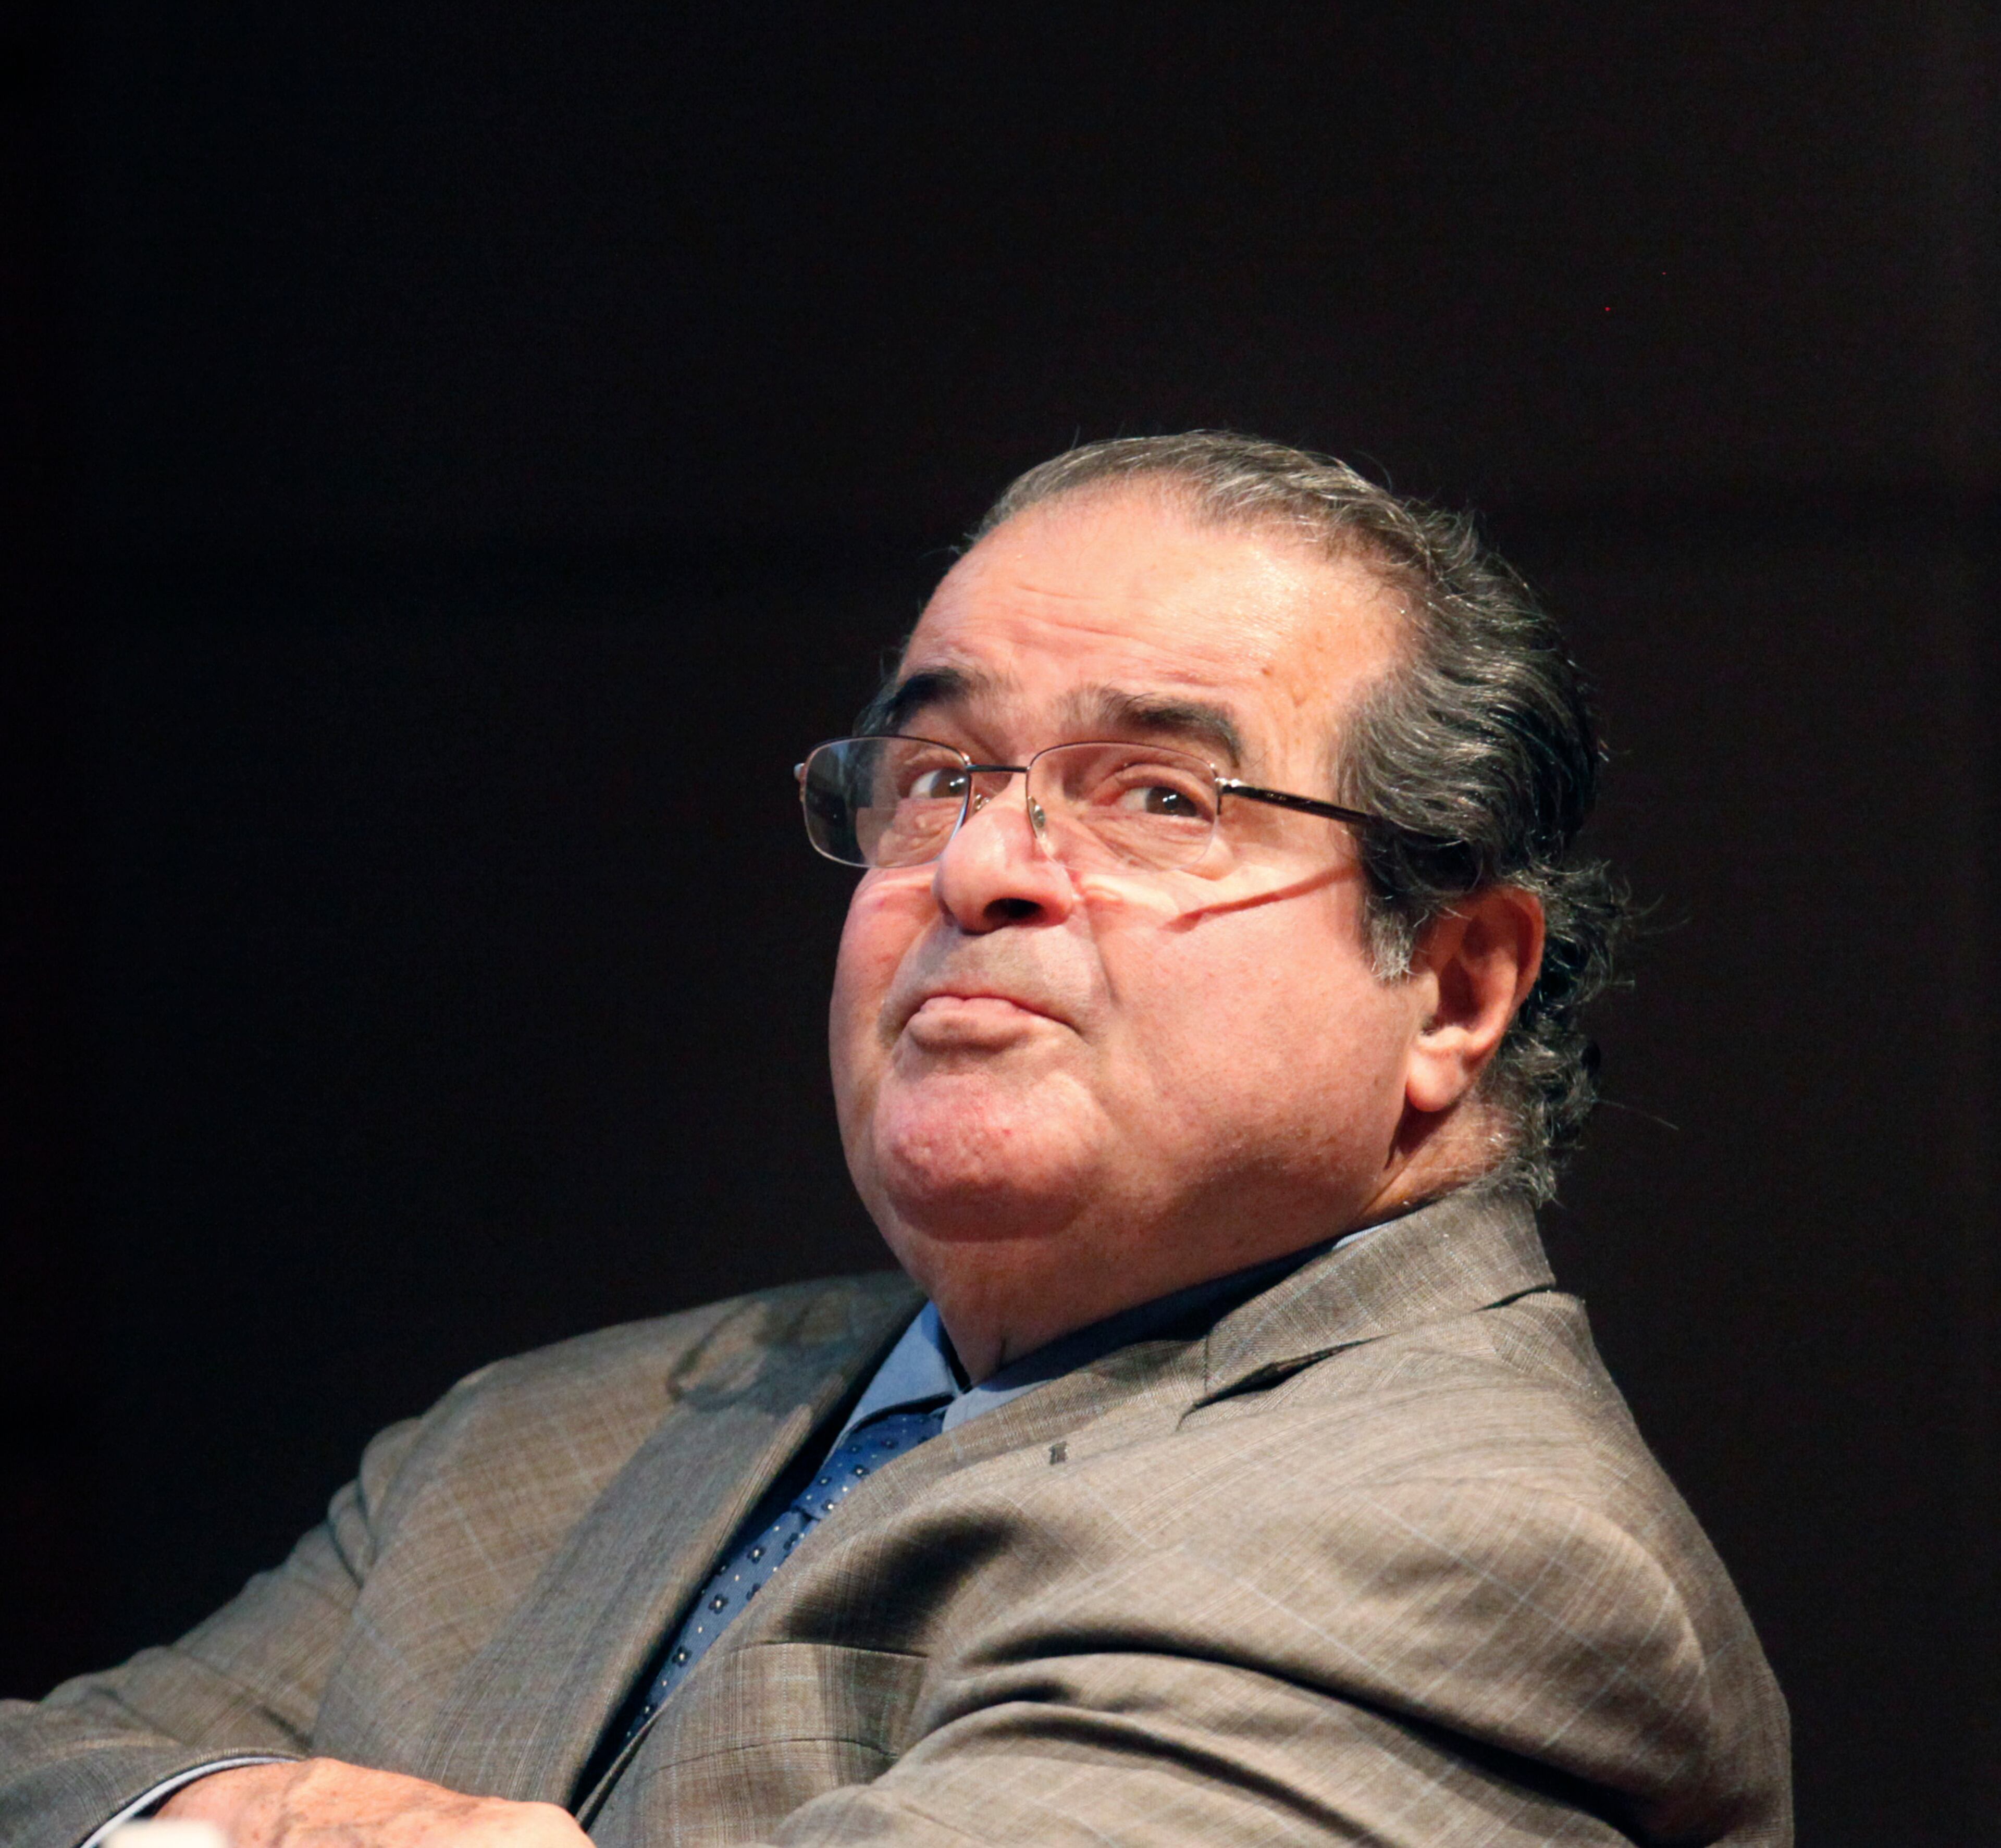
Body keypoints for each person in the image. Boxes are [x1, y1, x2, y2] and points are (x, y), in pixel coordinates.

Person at [1, 433, 1791, 1846]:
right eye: (936, 779)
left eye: (1161, 795)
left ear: (1456, 984)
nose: (985, 867)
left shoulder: (1467, 1547)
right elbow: (49, 1763)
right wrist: (235, 1813)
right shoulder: (539, 1438)